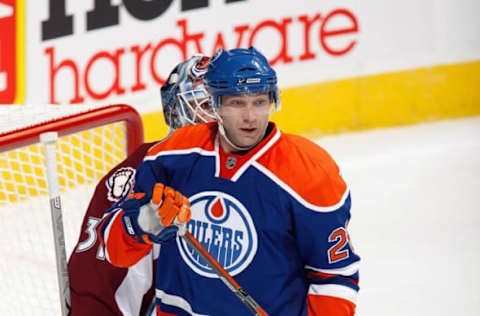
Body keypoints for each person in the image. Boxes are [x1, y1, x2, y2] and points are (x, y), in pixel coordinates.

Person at [99, 47, 360, 315]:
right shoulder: (171, 156)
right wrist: (140, 224)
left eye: (259, 102)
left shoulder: (309, 172)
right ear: (216, 104)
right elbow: (114, 251)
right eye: (237, 103)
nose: (250, 117)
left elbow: (335, 275)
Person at [67, 54, 215, 315]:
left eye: (225, 104)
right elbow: (97, 281)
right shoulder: (142, 175)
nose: (218, 117)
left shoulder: (265, 170)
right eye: (205, 105)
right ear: (175, 111)